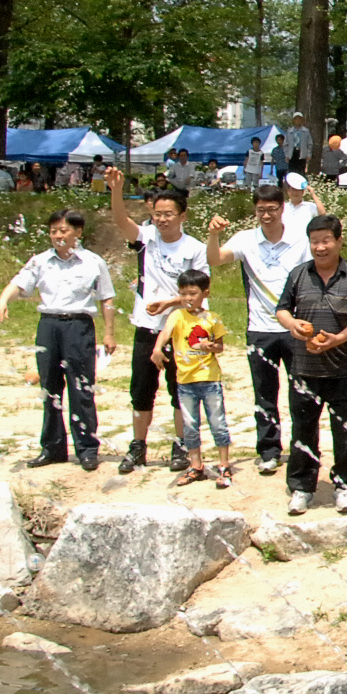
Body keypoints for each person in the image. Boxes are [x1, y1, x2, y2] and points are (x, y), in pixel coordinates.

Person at [0, 208, 117, 471]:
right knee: (49, 388)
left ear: (78, 232)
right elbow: (19, 284)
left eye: (64, 230)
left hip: (79, 326)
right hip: (49, 326)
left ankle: (87, 449)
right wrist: (2, 301)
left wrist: (109, 332)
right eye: (53, 231)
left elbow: (106, 298)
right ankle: (52, 448)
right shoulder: (41, 261)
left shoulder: (93, 262)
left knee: (81, 388)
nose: (58, 236)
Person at [275, 215, 347, 515]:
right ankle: (302, 487)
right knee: (303, 430)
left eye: (326, 241)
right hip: (303, 369)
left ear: (339, 241)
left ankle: (345, 485)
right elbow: (282, 310)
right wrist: (292, 324)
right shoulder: (298, 275)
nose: (320, 247)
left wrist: (339, 339)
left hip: (343, 369)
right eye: (314, 242)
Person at [205, 185, 310, 475]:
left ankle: (302, 448)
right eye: (261, 210)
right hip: (259, 329)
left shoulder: (300, 238)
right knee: (264, 394)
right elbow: (215, 260)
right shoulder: (245, 239)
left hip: (295, 328)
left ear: (282, 209)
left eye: (272, 209)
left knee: (301, 392)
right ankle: (269, 450)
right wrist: (213, 235)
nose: (266, 215)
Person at [106, 170, 205, 474]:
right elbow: (121, 221)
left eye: (168, 214)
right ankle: (138, 446)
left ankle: (181, 445)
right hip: (146, 328)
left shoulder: (194, 248)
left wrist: (169, 303)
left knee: (181, 390)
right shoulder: (146, 238)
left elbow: (200, 292)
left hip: (181, 330)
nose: (162, 220)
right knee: (141, 390)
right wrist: (116, 190)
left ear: (182, 216)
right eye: (157, 214)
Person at [153, 270, 231, 489]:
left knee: (218, 423)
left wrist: (211, 346)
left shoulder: (212, 318)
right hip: (185, 380)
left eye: (193, 293)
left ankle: (224, 465)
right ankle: (196, 465)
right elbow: (165, 333)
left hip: (209, 379)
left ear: (205, 293)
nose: (188, 298)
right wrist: (158, 348)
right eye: (183, 293)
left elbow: (220, 347)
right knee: (190, 425)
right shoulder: (177, 316)